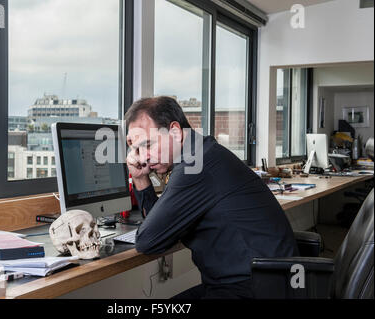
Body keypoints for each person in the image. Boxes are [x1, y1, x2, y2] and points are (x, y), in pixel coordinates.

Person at [125, 96, 299, 299]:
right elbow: (159, 228)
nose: (143, 156)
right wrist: (140, 178)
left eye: (148, 144)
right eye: (138, 149)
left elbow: (147, 241)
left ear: (174, 131)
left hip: (257, 288)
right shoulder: (203, 153)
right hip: (267, 281)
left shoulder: (194, 168)